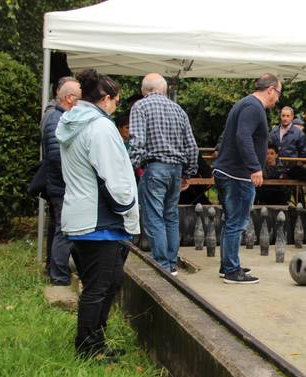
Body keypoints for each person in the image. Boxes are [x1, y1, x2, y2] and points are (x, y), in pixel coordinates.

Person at [56, 69, 140, 361]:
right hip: (99, 220)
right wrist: (128, 207)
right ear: (105, 99)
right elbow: (112, 175)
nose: (116, 107)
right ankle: (87, 348)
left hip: (85, 215)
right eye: (116, 101)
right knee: (97, 287)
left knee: (111, 281)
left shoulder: (73, 122)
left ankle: (95, 341)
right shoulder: (100, 127)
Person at [214, 73, 282, 284]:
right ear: (271, 89)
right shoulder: (253, 107)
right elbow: (242, 136)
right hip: (238, 175)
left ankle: (228, 265)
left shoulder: (244, 104)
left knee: (230, 221)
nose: (278, 99)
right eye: (278, 94)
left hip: (228, 172)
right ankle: (233, 272)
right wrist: (255, 167)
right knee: (237, 222)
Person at [129, 73, 199, 275]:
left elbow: (137, 142)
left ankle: (162, 265)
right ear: (165, 89)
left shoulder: (140, 107)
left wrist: (132, 167)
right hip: (176, 169)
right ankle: (171, 262)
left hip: (155, 168)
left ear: (144, 91)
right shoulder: (179, 110)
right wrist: (188, 173)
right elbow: (192, 147)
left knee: (154, 217)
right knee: (171, 216)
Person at [42, 76, 81, 286]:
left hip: (58, 183)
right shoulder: (57, 120)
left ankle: (56, 270)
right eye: (79, 98)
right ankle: (59, 276)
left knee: (61, 227)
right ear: (68, 97)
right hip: (61, 184)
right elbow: (57, 156)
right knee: (64, 230)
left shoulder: (57, 117)